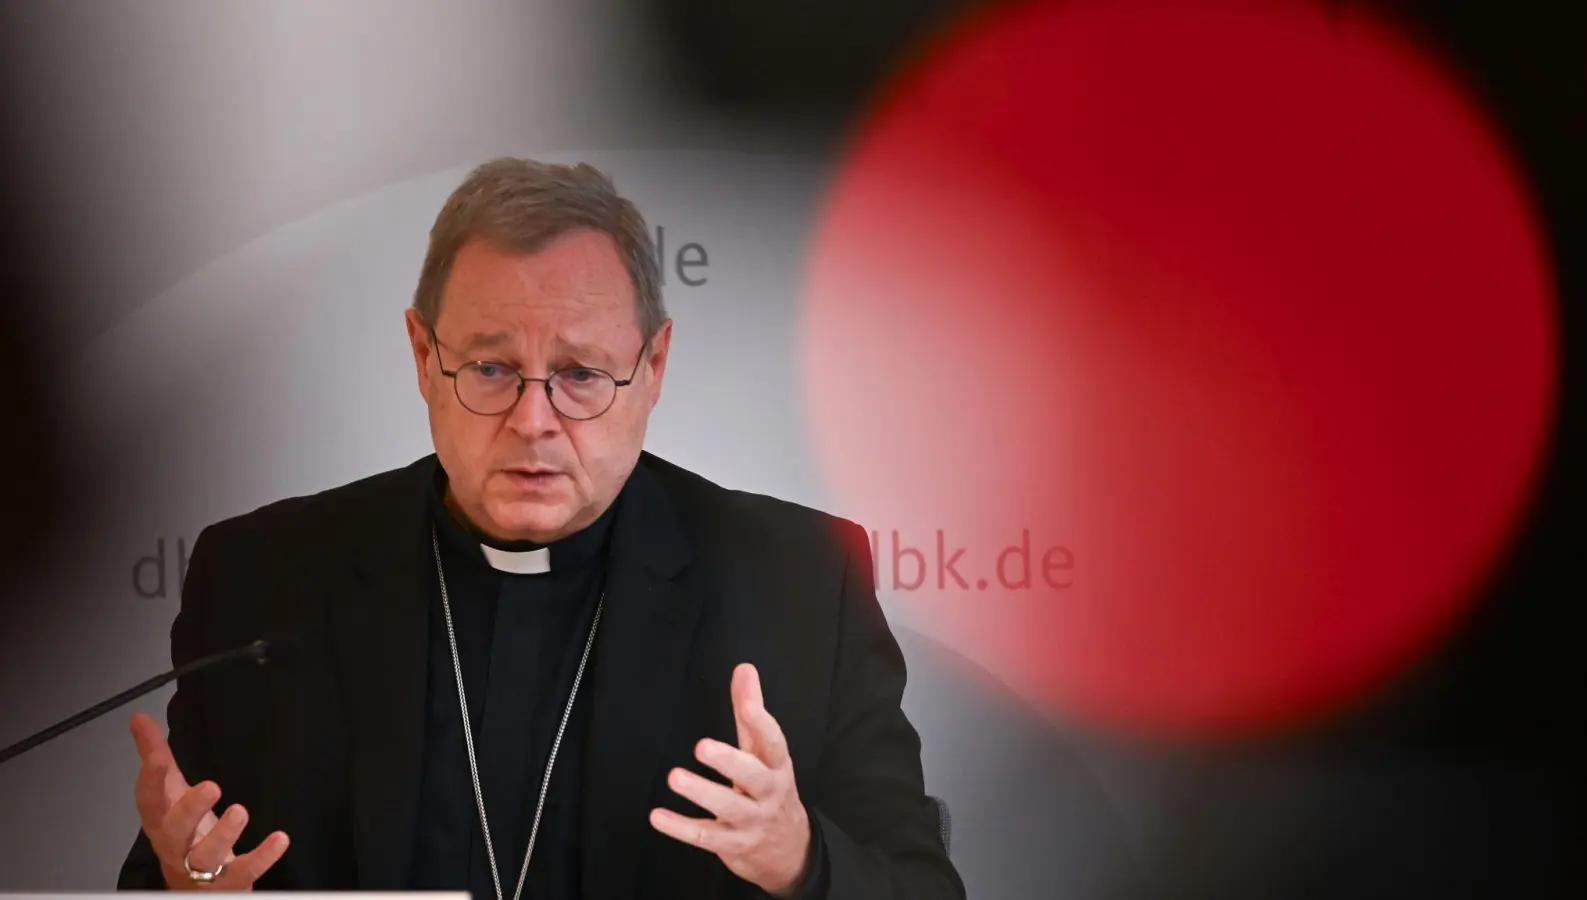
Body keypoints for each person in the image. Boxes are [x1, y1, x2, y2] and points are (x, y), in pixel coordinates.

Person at [116, 157, 964, 899]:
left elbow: (922, 888)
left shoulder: (798, 582)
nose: (533, 420)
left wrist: (800, 860)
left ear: (653, 367)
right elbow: (179, 868)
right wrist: (192, 887)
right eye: (490, 368)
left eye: (580, 373)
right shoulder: (263, 581)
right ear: (422, 357)